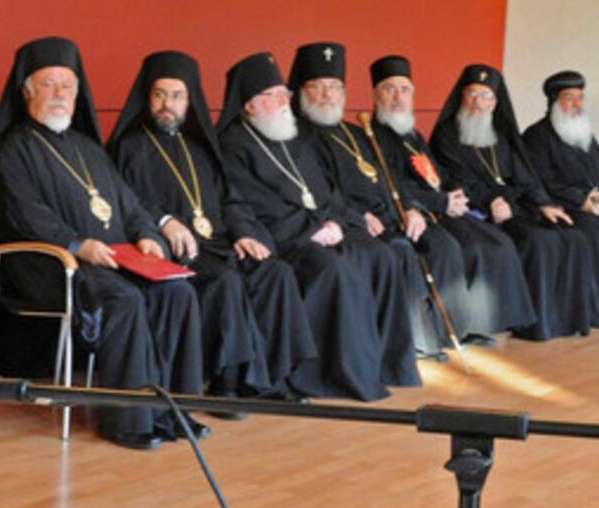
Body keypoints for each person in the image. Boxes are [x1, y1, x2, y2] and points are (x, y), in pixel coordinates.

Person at [0, 36, 204, 448]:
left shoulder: (89, 148)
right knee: (126, 300)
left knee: (179, 293)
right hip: (49, 265)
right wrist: (77, 244)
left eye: (67, 86)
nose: (59, 95)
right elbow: (24, 215)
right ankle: (128, 421)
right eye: (48, 85)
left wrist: (146, 235)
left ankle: (175, 411)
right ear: (27, 91)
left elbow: (129, 203)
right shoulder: (12, 150)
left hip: (115, 261)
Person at [108, 49, 315, 399]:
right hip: (170, 248)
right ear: (147, 97)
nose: (167, 105)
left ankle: (275, 379)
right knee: (225, 279)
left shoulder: (200, 147)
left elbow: (230, 199)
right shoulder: (128, 146)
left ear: (190, 100)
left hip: (216, 241)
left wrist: (244, 233)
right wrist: (165, 221)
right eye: (160, 94)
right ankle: (228, 384)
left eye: (177, 96)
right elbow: (126, 201)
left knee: (273, 271)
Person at [217, 51, 419, 401]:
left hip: (322, 227)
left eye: (285, 94)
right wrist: (311, 229)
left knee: (381, 255)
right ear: (250, 105)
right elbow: (253, 205)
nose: (285, 102)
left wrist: (335, 221)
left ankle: (386, 364)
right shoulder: (234, 146)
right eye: (275, 96)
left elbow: (327, 190)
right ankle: (331, 374)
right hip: (286, 239)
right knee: (333, 269)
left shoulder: (293, 136)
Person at [288, 41, 465, 361]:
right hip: (354, 222)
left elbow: (387, 178)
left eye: (335, 87)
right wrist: (357, 215)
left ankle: (439, 331)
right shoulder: (298, 137)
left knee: (439, 243)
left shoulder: (356, 132)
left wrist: (410, 209)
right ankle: (404, 344)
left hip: (387, 213)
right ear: (302, 92)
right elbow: (322, 193)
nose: (328, 95)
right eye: (318, 87)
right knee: (397, 250)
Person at [368, 55, 534, 342]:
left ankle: (482, 324)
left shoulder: (413, 135)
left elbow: (438, 173)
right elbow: (391, 185)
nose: (398, 97)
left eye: (405, 90)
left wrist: (452, 194)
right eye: (389, 89)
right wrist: (440, 203)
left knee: (495, 242)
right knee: (464, 247)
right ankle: (452, 329)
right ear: (376, 95)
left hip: (440, 207)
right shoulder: (373, 137)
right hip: (415, 212)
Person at [430, 64, 597, 340]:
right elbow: (453, 178)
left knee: (572, 237)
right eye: (472, 94)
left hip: (515, 205)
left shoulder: (502, 133)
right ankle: (534, 324)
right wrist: (491, 199)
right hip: (476, 210)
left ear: (496, 103)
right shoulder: (448, 134)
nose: (478, 103)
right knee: (539, 241)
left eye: (485, 97)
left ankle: (566, 321)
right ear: (461, 96)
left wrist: (543, 203)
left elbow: (525, 175)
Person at [522, 70, 599, 280]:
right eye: (569, 98)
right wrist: (581, 199)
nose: (577, 104)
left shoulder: (584, 133)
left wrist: (595, 194)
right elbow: (542, 179)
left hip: (590, 203)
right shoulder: (536, 135)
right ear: (554, 101)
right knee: (593, 232)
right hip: (562, 206)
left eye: (580, 98)